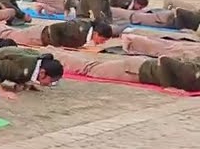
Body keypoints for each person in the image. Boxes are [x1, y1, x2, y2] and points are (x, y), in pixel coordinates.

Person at [49, 51, 200, 92]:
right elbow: (164, 60)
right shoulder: (190, 72)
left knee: (92, 67)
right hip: (134, 70)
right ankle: (54, 56)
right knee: (90, 69)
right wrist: (167, 86)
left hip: (140, 69)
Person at [0, 18, 114, 49]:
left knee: (11, 33)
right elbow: (55, 28)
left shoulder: (86, 32)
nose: (102, 42)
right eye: (103, 40)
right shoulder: (80, 29)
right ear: (97, 34)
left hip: (42, 36)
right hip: (39, 35)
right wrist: (56, 46)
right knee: (9, 35)